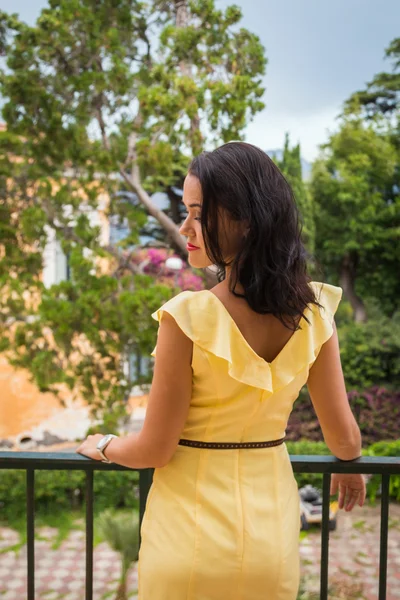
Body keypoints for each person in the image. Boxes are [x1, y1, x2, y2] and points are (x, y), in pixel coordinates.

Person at [76, 142, 366, 599]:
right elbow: (345, 437)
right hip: (270, 539)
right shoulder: (314, 315)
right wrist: (349, 466)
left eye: (197, 213)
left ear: (245, 220)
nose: (184, 226)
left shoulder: (187, 317)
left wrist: (104, 445)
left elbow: (154, 448)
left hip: (187, 539)